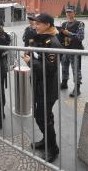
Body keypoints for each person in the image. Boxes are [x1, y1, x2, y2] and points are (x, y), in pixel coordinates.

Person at [23, 13, 62, 162]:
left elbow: (50, 68)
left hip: (48, 87)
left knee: (43, 117)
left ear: (47, 25)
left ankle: (53, 149)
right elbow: (38, 57)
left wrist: (29, 61)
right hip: (39, 84)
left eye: (38, 24)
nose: (35, 26)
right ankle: (47, 141)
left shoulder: (52, 42)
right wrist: (30, 54)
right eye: (35, 23)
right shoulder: (40, 39)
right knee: (43, 116)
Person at [58, 5, 85, 97]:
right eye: (67, 12)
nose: (68, 14)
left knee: (76, 69)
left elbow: (80, 37)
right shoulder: (64, 24)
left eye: (70, 12)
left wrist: (68, 33)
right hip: (65, 49)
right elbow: (60, 37)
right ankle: (64, 83)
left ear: (74, 13)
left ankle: (77, 89)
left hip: (75, 50)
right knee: (64, 68)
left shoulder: (79, 23)